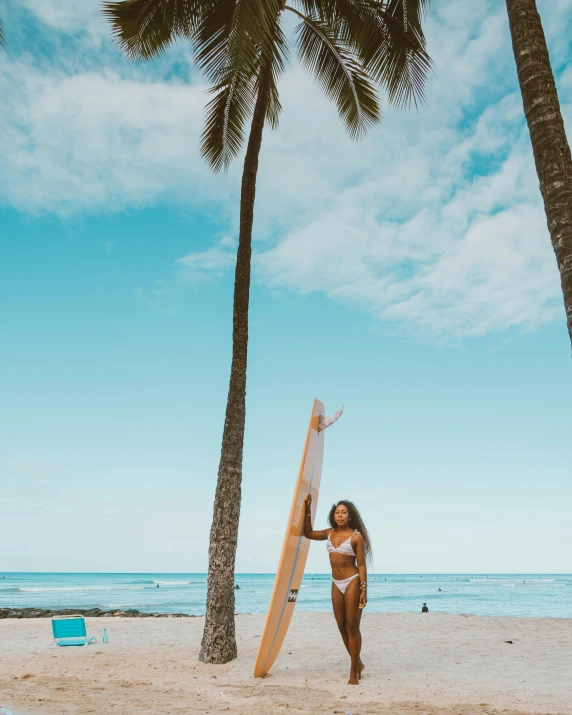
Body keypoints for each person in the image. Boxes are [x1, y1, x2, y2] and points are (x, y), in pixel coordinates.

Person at [304, 495, 372, 685]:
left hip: (352, 582)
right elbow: (307, 533)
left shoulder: (356, 537)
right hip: (335, 583)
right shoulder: (329, 533)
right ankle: (358, 663)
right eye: (337, 512)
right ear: (333, 516)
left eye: (344, 512)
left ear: (350, 516)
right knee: (341, 627)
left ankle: (353, 673)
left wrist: (364, 589)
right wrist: (307, 510)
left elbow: (362, 565)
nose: (340, 515)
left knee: (352, 627)